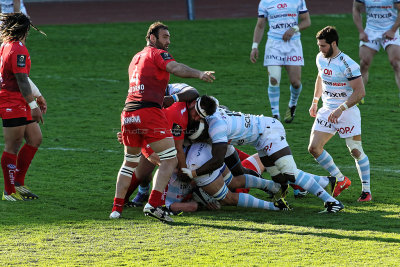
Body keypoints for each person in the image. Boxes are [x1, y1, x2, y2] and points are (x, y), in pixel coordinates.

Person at [114, 21, 215, 222]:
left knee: (129, 163)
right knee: (170, 159)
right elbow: (175, 67)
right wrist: (199, 74)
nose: (168, 41)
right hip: (148, 112)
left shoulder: (135, 57)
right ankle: (153, 204)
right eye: (165, 37)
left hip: (128, 114)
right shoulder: (156, 54)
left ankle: (116, 209)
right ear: (153, 38)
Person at [185, 96, 344, 213]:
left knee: (290, 173)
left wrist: (194, 173)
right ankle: (323, 184)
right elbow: (213, 102)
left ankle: (331, 202)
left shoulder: (216, 128)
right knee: (280, 179)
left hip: (268, 132)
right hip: (260, 138)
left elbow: (218, 160)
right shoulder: (211, 110)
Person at [308, 26, 371, 202]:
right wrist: (315, 101)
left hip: (346, 111)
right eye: (319, 45)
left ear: (333, 43)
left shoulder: (348, 64)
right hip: (327, 110)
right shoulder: (320, 58)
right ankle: (341, 179)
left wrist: (340, 109)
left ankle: (366, 191)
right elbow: (320, 77)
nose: (320, 49)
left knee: (356, 152)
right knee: (314, 148)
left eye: (323, 46)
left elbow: (360, 93)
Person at [0, 13, 46, 201]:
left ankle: (18, 183)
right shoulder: (17, 49)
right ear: (25, 29)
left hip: (20, 99)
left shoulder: (6, 46)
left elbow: (22, 77)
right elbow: (20, 79)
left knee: (35, 138)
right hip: (12, 101)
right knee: (13, 145)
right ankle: (9, 191)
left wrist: (38, 95)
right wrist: (33, 104)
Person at [250, 0, 311, 123]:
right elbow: (260, 25)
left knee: (296, 83)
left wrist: (294, 29)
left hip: (293, 45)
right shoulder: (265, 2)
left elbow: (306, 21)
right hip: (274, 45)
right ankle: (275, 116)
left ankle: (292, 105)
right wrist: (255, 46)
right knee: (274, 79)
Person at [352, 0, 400, 104]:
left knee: (396, 63)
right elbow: (356, 8)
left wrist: (393, 30)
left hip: (390, 30)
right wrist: (361, 31)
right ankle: (358, 95)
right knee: (364, 63)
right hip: (371, 31)